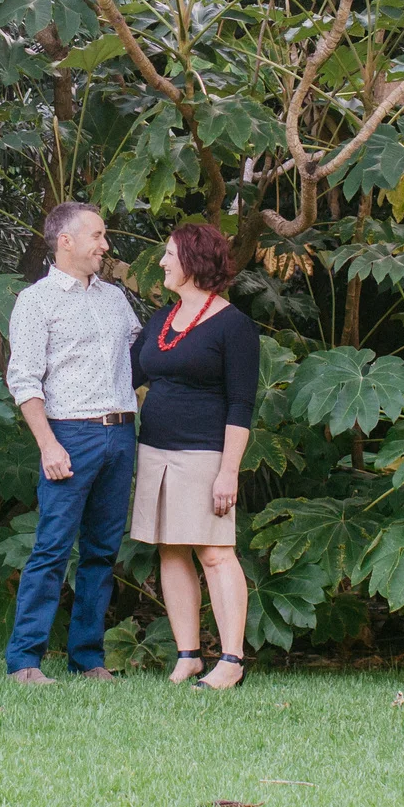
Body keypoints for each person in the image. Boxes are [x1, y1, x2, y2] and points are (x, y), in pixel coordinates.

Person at [2, 201, 141, 684]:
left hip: (121, 433)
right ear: (66, 242)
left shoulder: (115, 299)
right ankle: (24, 661)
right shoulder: (36, 302)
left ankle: (88, 658)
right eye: (97, 236)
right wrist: (48, 445)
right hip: (70, 435)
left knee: (102, 551)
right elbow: (24, 380)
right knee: (52, 549)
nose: (105, 245)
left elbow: (136, 360)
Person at [129, 221, 258, 689]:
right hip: (154, 451)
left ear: (193, 261)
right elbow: (128, 375)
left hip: (206, 455)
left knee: (215, 552)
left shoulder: (234, 325)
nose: (162, 262)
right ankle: (188, 655)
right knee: (170, 549)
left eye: (169, 254)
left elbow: (242, 403)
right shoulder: (161, 321)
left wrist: (229, 471)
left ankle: (232, 661)